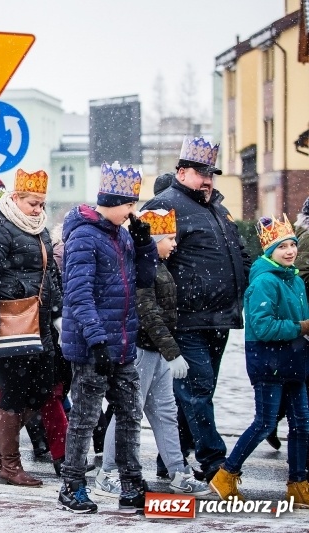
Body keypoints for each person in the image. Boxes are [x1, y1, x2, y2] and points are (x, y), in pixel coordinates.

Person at [142, 137, 251, 482]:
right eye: (201, 172)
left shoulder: (217, 207)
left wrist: (244, 281)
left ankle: (169, 459)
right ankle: (213, 459)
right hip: (186, 319)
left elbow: (239, 251)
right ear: (182, 171)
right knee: (196, 391)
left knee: (196, 393)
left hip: (220, 317)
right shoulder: (163, 205)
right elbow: (148, 263)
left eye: (211, 173)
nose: (207, 179)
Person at [58, 162, 156, 514]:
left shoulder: (123, 234)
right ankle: (72, 485)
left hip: (123, 343)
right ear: (112, 201)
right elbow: (79, 294)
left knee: (130, 414)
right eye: (128, 204)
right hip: (92, 346)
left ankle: (131, 484)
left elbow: (144, 280)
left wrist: (145, 246)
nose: (132, 211)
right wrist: (96, 340)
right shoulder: (85, 236)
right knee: (85, 418)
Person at [94, 208, 210, 498]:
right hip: (140, 351)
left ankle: (178, 472)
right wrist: (172, 351)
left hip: (154, 352)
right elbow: (148, 313)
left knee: (165, 413)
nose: (174, 244)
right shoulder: (143, 269)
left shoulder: (157, 266)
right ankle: (106, 473)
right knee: (127, 413)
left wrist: (167, 351)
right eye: (169, 238)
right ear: (154, 238)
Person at [210, 215, 309, 506]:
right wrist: (301, 327)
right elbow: (263, 327)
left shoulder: (295, 281)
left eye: (292, 245)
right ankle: (226, 474)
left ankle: (299, 483)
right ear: (270, 252)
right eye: (282, 247)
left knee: (302, 424)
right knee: (265, 422)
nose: (290, 251)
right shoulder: (264, 282)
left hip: (294, 362)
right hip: (270, 362)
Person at [0, 169, 57, 487]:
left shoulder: (39, 228)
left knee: (44, 388)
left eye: (42, 204)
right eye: (33, 203)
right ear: (16, 198)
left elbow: (50, 275)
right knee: (15, 391)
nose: (38, 210)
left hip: (40, 322)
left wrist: (58, 312)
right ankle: (9, 465)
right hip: (10, 323)